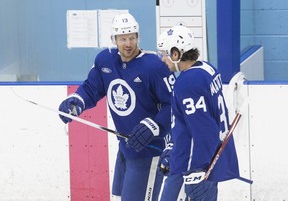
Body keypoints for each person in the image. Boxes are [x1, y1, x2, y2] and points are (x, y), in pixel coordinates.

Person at [58, 13, 175, 201]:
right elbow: (91, 88)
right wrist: (76, 101)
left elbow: (174, 105)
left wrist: (154, 126)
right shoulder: (106, 60)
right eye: (122, 38)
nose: (128, 43)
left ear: (138, 38)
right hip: (126, 147)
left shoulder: (154, 66)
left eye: (132, 37)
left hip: (150, 150)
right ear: (114, 39)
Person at [157, 25, 240, 201]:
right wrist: (173, 148)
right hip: (201, 161)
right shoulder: (207, 69)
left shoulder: (188, 83)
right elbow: (191, 124)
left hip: (191, 168)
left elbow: (203, 131)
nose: (163, 59)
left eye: (165, 54)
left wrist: (199, 171)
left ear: (176, 53)